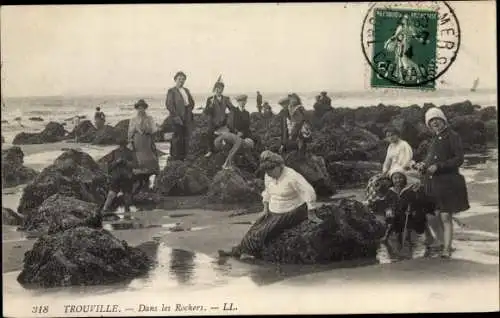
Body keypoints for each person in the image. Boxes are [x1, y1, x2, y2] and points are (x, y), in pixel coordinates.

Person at [218, 151, 322, 260]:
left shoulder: (292, 176)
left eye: (271, 169)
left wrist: (311, 211)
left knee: (265, 230)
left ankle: (249, 252)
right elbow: (267, 192)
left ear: (279, 166)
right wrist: (265, 209)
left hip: (293, 210)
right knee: (255, 227)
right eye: (266, 170)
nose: (268, 173)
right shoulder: (268, 176)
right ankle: (237, 250)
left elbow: (308, 191)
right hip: (274, 210)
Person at [413, 107, 470, 258]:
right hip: (433, 183)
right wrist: (423, 165)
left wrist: (439, 166)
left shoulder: (453, 136)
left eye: (436, 119)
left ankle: (447, 248)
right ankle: (440, 241)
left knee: (445, 216)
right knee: (432, 215)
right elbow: (430, 158)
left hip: (448, 182)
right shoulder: (434, 139)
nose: (434, 123)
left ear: (443, 120)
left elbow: (459, 159)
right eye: (431, 121)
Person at [215, 94, 256, 169]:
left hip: (243, 135)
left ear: (246, 102)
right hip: (233, 134)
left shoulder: (247, 113)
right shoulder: (234, 111)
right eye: (241, 101)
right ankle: (229, 163)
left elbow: (247, 127)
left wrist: (243, 133)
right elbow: (229, 124)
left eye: (244, 101)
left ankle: (248, 163)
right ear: (238, 102)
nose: (242, 103)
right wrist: (236, 132)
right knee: (239, 142)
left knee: (249, 142)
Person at [128, 99, 160, 193]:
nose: (141, 110)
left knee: (151, 160)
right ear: (137, 108)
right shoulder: (133, 119)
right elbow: (130, 133)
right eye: (139, 108)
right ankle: (140, 184)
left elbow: (154, 130)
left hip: (147, 140)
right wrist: (130, 142)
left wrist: (147, 129)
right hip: (137, 141)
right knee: (139, 160)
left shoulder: (149, 118)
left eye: (142, 108)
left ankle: (151, 183)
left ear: (145, 108)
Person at [100, 141, 136, 220]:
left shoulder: (128, 153)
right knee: (115, 194)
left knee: (122, 195)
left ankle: (106, 210)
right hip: (120, 177)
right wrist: (117, 162)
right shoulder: (115, 153)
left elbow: (135, 165)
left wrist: (125, 162)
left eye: (122, 145)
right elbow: (109, 167)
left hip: (123, 177)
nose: (121, 147)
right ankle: (106, 210)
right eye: (121, 145)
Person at [166, 71, 195, 161]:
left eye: (183, 79)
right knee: (177, 138)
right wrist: (176, 116)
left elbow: (191, 102)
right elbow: (169, 105)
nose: (181, 81)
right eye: (179, 79)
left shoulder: (186, 90)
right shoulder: (172, 91)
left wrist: (189, 111)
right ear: (175, 80)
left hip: (187, 116)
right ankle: (175, 157)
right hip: (177, 117)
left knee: (186, 136)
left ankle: (184, 156)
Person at [203, 80, 235, 157]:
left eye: (220, 88)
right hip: (214, 122)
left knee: (232, 131)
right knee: (209, 133)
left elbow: (232, 109)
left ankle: (232, 149)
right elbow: (207, 112)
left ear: (222, 89)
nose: (218, 90)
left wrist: (230, 118)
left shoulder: (226, 99)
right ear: (214, 89)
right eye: (216, 88)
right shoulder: (210, 99)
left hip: (223, 121)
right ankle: (210, 150)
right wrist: (210, 105)